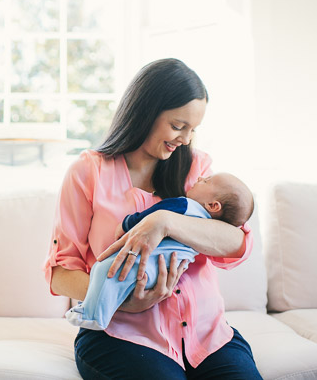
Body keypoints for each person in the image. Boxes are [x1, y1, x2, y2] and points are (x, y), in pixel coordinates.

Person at [44, 58, 263, 379]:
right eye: (178, 126)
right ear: (145, 112)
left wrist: (164, 222)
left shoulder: (197, 171)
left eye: (192, 130)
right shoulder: (88, 173)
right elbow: (61, 272)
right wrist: (121, 300)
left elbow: (236, 242)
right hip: (122, 336)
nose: (185, 139)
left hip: (208, 337)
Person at [65, 172, 254, 330]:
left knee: (104, 270)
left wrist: (126, 224)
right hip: (160, 273)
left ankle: (94, 316)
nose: (199, 178)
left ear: (214, 205)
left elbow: (145, 217)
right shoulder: (204, 226)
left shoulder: (183, 204)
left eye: (205, 181)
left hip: (142, 262)